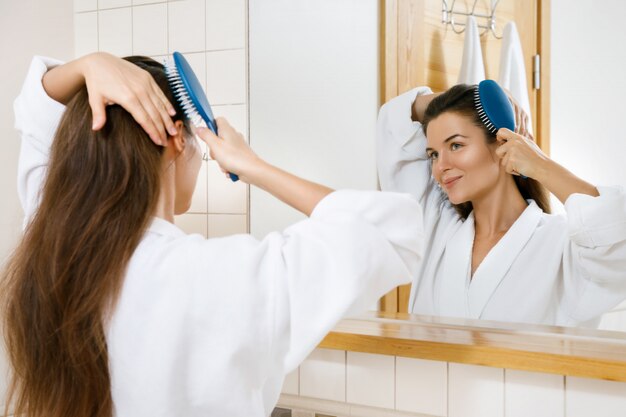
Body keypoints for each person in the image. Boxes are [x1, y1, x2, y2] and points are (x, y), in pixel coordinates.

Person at [1, 53, 424, 417]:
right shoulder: (219, 275)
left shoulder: (54, 250)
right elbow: (392, 228)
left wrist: (91, 64)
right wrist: (252, 164)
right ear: (177, 138)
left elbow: (37, 109)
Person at [377, 83, 626, 327]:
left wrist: (541, 166)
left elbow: (612, 239)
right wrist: (482, 98)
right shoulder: (435, 226)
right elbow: (393, 120)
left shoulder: (562, 247)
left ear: (502, 144)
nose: (440, 167)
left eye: (456, 145)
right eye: (433, 154)